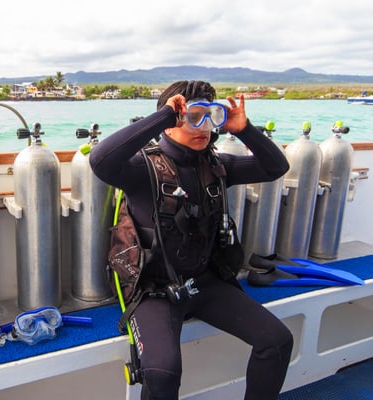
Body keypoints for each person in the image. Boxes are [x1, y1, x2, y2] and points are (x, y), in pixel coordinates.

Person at [89, 80, 293, 400]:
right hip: (155, 291)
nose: (204, 128)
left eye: (212, 117)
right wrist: (164, 116)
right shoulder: (144, 169)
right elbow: (101, 160)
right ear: (170, 125)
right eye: (193, 117)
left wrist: (243, 129)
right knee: (163, 372)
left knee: (278, 341)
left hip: (205, 282)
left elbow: (276, 167)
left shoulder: (218, 165)